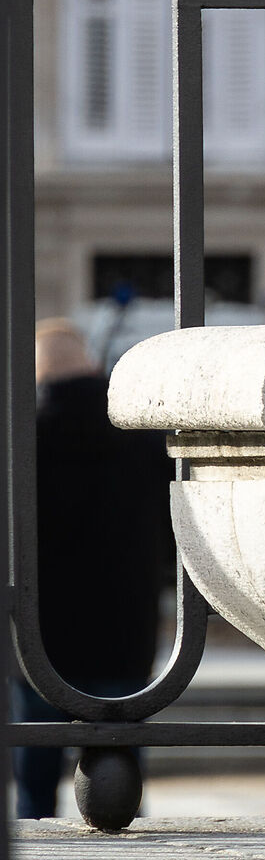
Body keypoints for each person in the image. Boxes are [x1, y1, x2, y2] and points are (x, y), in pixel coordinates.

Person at [12, 321, 173, 820]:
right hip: (126, 631)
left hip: (41, 641)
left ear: (37, 373)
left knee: (34, 790)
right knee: (118, 780)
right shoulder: (143, 439)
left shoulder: (23, 443)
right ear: (91, 364)